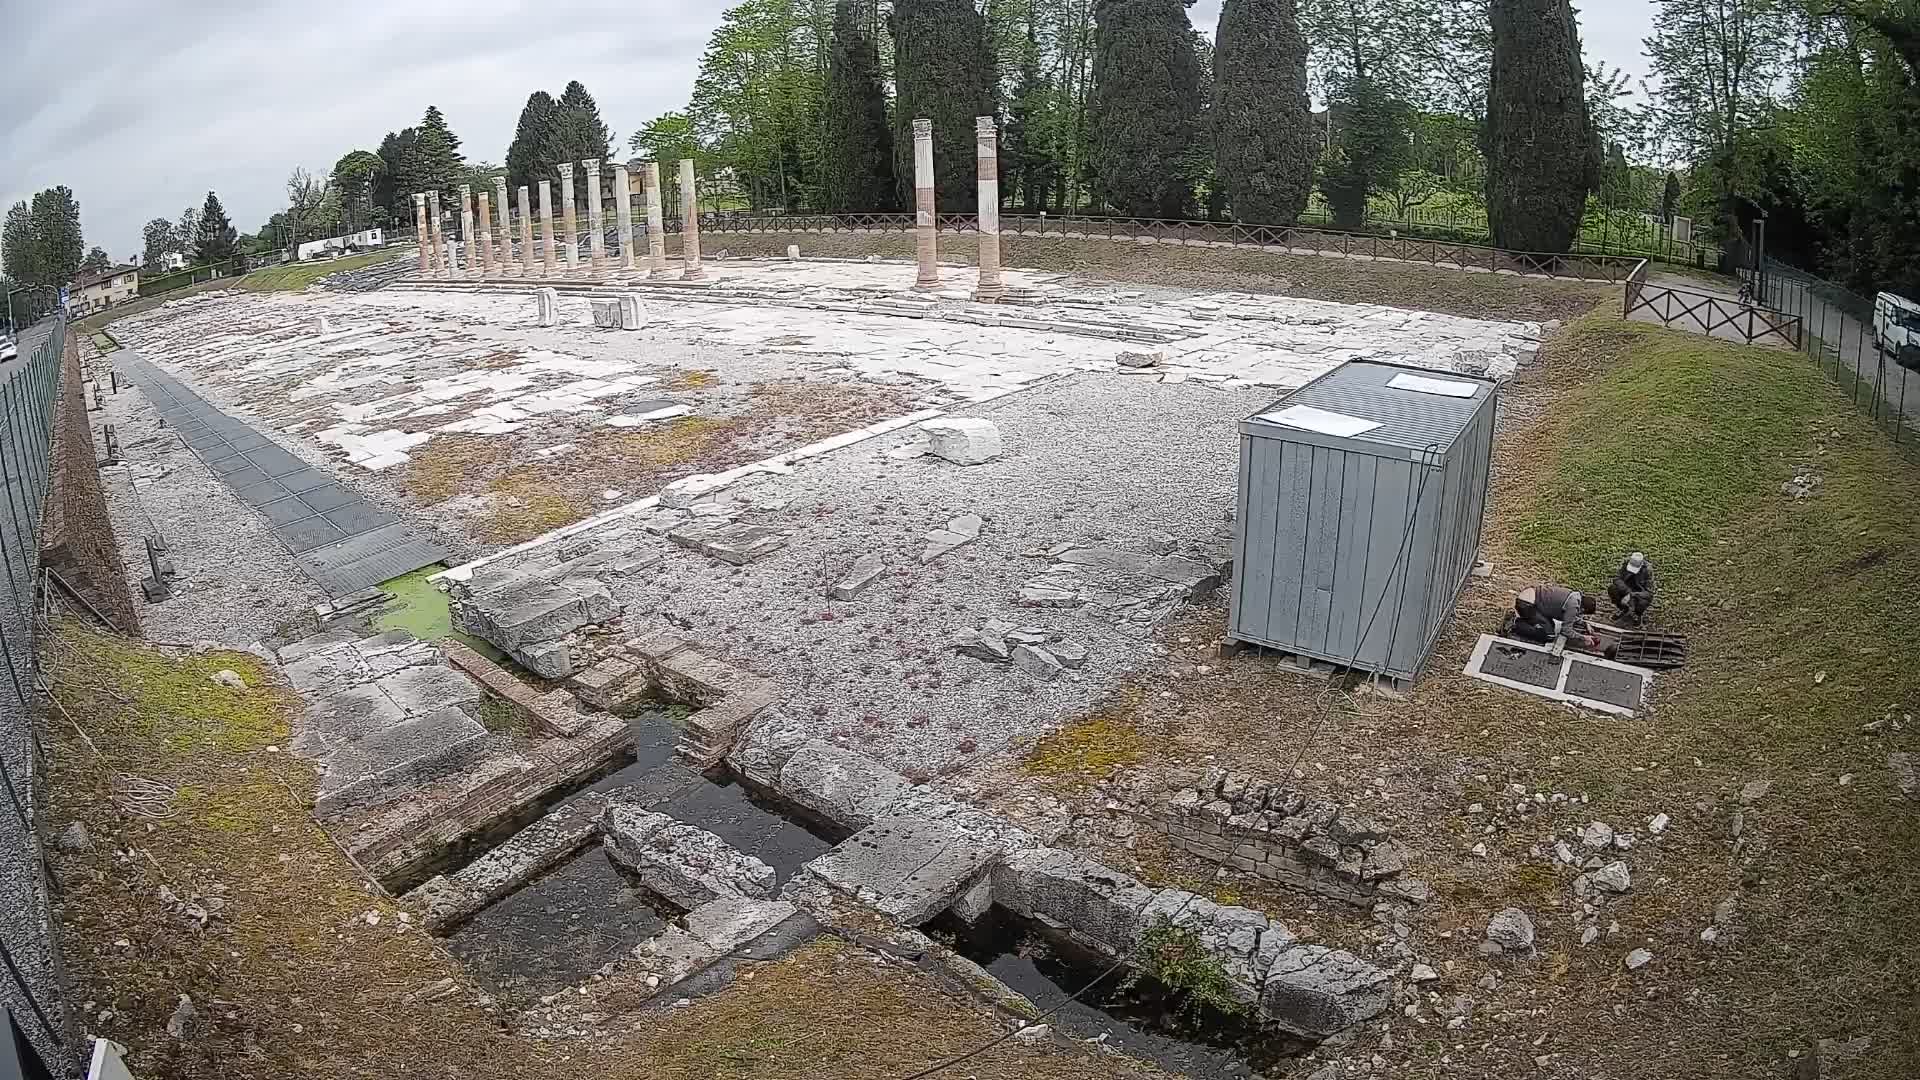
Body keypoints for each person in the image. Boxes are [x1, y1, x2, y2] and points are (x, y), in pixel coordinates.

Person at [1507, 583, 1598, 650]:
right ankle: (1514, 624)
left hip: (1530, 597)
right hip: (1526, 605)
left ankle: (1524, 619)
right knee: (1548, 635)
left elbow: (1569, 616)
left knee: (1551, 626)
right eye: (1582, 613)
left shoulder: (1575, 597)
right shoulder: (1573, 606)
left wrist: (1584, 624)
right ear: (1582, 610)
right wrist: (1583, 637)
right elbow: (1566, 630)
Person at [1608, 552, 1656, 625]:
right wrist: (1627, 591)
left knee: (1643, 602)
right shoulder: (1626, 563)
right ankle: (1623, 608)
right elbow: (1616, 578)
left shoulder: (1648, 570)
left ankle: (1637, 614)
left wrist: (1632, 595)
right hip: (1626, 587)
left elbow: (1649, 593)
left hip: (1639, 592)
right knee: (1613, 588)